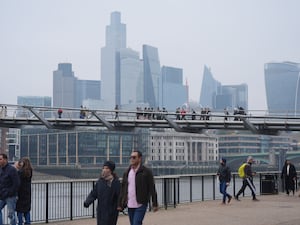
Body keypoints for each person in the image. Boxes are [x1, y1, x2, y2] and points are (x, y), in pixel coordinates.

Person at [117, 150, 158, 225]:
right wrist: (120, 204)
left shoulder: (146, 172)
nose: (131, 159)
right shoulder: (127, 172)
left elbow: (152, 188)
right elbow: (123, 189)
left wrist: (154, 204)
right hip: (130, 204)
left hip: (141, 203)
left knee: (136, 223)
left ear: (139, 158)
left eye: (134, 157)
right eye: (131, 157)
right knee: (133, 223)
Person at [84, 161, 120, 225]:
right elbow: (94, 193)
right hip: (101, 211)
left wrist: (120, 205)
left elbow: (119, 195)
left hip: (112, 211)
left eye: (107, 168)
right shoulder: (100, 182)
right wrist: (87, 202)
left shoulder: (115, 182)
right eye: (103, 168)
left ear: (111, 170)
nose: (104, 170)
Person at [0, 153, 20, 225]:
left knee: (11, 214)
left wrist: (10, 192)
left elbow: (16, 183)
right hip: (2, 195)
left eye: (0, 159)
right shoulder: (1, 169)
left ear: (5, 160)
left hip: (10, 196)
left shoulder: (12, 170)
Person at [15, 158, 33, 225]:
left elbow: (17, 181)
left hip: (21, 193)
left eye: (21, 162)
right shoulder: (30, 171)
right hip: (27, 193)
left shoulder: (21, 172)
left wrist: (16, 167)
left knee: (19, 210)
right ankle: (28, 222)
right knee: (27, 210)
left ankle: (20, 223)